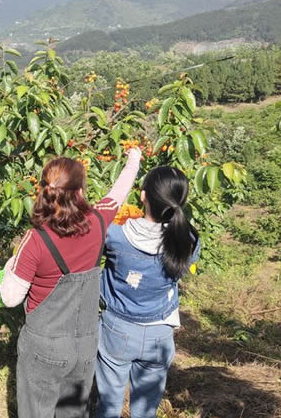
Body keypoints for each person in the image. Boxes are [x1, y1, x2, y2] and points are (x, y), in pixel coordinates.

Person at [0, 148, 142, 418]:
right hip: (85, 342)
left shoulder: (36, 239)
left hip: (44, 345)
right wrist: (133, 159)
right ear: (79, 191)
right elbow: (118, 192)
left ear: (44, 189)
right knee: (73, 413)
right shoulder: (99, 220)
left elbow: (10, 297)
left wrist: (11, 264)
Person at [95, 166, 200, 418]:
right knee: (145, 411)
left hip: (116, 329)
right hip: (159, 334)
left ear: (143, 197)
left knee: (108, 405)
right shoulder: (188, 239)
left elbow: (96, 228)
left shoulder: (116, 234)